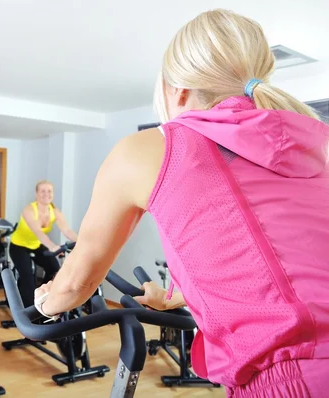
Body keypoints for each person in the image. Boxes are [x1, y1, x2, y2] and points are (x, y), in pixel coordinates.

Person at [33, 9, 329, 397]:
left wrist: (44, 305)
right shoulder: (310, 147)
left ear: (177, 90)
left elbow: (77, 282)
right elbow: (280, 259)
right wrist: (178, 295)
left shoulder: (152, 147)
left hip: (293, 380)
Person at [9, 180, 77, 308]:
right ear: (37, 194)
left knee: (54, 269)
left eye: (49, 191)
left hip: (36, 246)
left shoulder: (55, 212)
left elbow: (67, 231)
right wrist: (52, 246)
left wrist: (82, 243)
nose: (46, 194)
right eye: (42, 191)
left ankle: (43, 297)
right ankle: (28, 311)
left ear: (53, 194)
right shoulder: (29, 210)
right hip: (18, 246)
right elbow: (38, 232)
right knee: (27, 275)